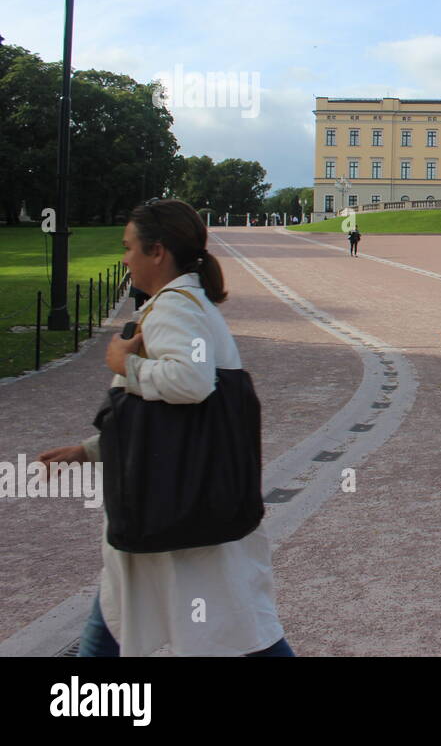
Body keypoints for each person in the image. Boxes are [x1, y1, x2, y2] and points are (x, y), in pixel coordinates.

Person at [36, 199, 292, 657]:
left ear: (158, 252)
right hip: (176, 505)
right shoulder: (182, 304)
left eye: (129, 247)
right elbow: (163, 418)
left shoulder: (176, 308)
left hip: (174, 511)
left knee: (234, 627)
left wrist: (124, 364)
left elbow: (189, 382)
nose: (124, 257)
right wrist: (90, 449)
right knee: (227, 623)